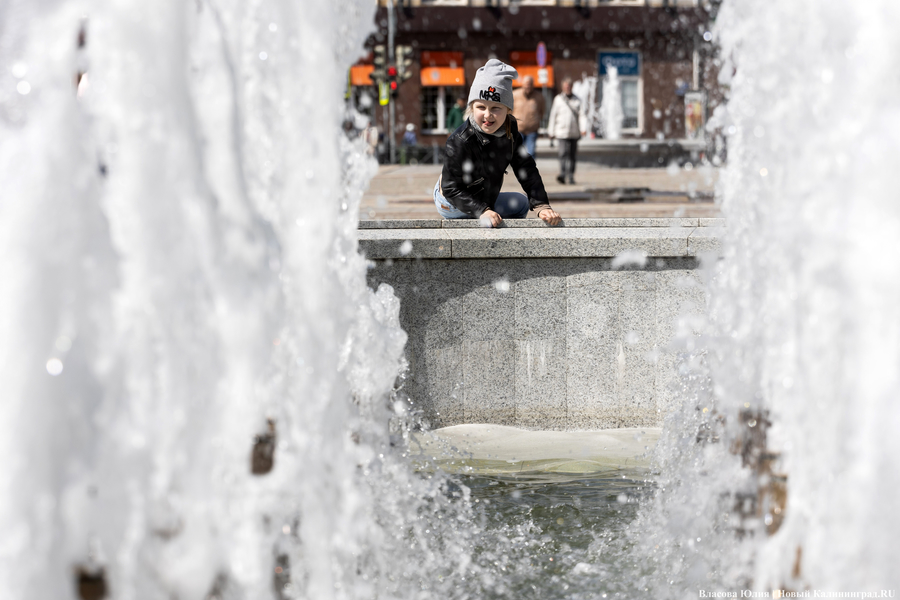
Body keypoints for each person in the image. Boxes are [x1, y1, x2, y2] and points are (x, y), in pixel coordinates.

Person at [434, 59, 561, 228]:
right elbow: (451, 189)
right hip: (451, 201)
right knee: (488, 222)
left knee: (521, 204)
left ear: (508, 110)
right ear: (472, 107)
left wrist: (541, 205)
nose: (488, 115)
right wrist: (482, 210)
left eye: (496, 108)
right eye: (481, 107)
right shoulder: (460, 140)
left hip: (483, 197)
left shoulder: (510, 130)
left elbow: (525, 167)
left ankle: (507, 248)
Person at [547, 77, 585, 185]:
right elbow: (553, 116)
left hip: (574, 132)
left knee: (572, 155)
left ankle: (571, 175)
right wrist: (551, 131)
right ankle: (563, 174)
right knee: (563, 153)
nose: (567, 88)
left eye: (569, 86)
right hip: (561, 132)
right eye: (565, 86)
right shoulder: (558, 99)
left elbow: (582, 115)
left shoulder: (578, 100)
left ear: (572, 87)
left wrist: (583, 129)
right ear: (563, 87)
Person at [512, 75, 546, 157]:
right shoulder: (515, 95)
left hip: (532, 130)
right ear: (522, 84)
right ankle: (520, 169)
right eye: (526, 84)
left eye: (530, 84)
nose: (528, 86)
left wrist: (535, 121)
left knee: (531, 153)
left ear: (533, 85)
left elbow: (542, 111)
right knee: (518, 153)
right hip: (518, 130)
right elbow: (509, 111)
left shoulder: (539, 96)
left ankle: (530, 170)